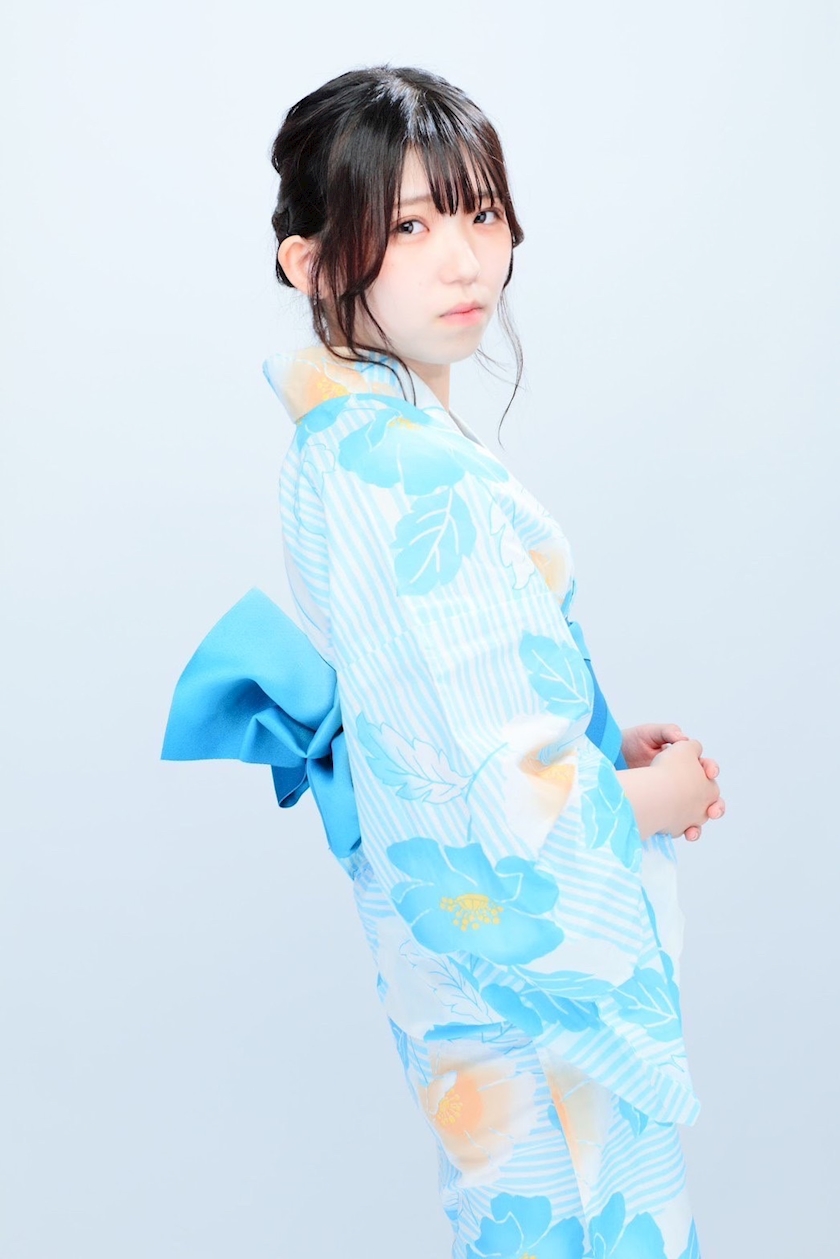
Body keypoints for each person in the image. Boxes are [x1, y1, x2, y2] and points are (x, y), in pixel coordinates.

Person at [164, 65, 725, 1259]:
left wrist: (596, 741)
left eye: (480, 213)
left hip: (452, 960)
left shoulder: (347, 440)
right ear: (313, 262)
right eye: (410, 225)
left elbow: (439, 708)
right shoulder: (413, 470)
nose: (463, 258)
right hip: (519, 989)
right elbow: (510, 810)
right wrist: (659, 797)